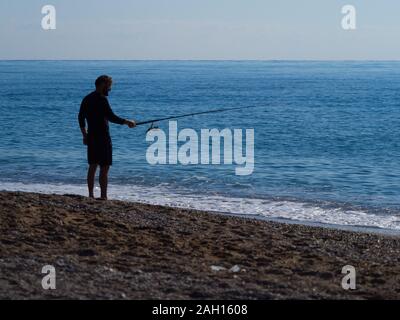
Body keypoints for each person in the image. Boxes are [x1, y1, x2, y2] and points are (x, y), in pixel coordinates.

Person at [78, 75, 136, 200]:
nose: (110, 89)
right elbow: (111, 117)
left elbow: (80, 118)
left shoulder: (87, 99)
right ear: (102, 84)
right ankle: (103, 196)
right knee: (104, 167)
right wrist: (128, 122)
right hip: (103, 137)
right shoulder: (102, 100)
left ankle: (91, 195)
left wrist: (85, 135)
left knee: (93, 165)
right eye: (109, 86)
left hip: (92, 136)